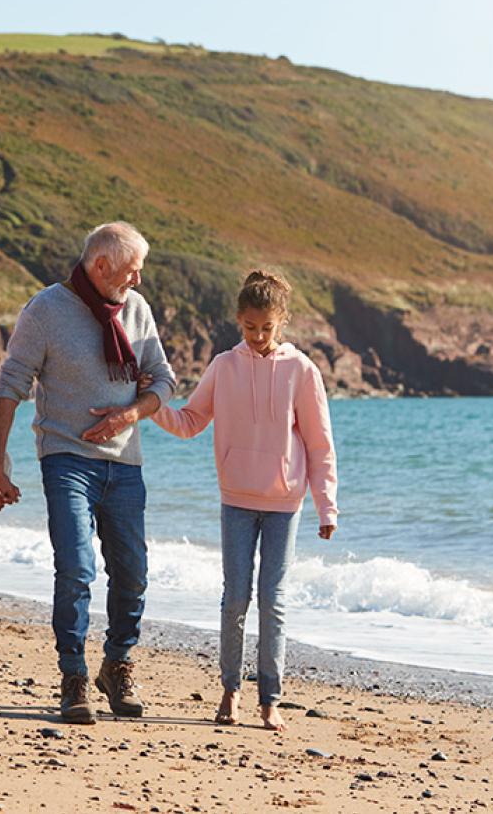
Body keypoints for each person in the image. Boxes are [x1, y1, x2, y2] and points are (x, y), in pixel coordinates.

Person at [0, 221, 176, 725]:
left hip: (125, 462)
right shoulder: (45, 310)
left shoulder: (136, 310)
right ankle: (73, 675)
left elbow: (165, 380)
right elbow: (11, 387)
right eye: (132, 272)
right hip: (66, 458)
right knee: (76, 567)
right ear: (101, 266)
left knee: (132, 573)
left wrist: (129, 414)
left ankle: (117, 664)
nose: (137, 281)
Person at [150, 270, 338, 732]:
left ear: (282, 323)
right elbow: (192, 419)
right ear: (239, 322)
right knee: (235, 598)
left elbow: (319, 443)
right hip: (236, 498)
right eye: (250, 328)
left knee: (272, 601)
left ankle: (270, 699)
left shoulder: (301, 370)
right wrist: (150, 408)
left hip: (283, 504)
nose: (257, 337)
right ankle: (230, 691)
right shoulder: (223, 366)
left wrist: (326, 505)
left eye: (267, 329)